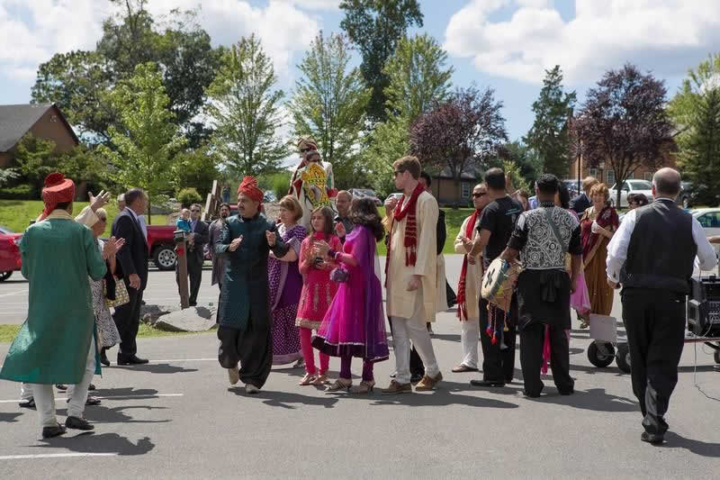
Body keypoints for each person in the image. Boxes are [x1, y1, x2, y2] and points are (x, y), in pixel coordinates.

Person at [0, 173, 123, 438]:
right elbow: (98, 271)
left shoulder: (33, 232)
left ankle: (48, 421)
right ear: (69, 204)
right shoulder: (80, 232)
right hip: (77, 308)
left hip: (42, 308)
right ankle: (76, 412)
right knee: (87, 360)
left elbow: (27, 273)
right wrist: (105, 256)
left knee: (42, 363)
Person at [606, 168, 717, 445]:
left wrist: (613, 278)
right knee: (664, 358)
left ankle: (650, 414)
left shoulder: (634, 216)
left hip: (636, 295)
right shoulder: (689, 221)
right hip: (672, 298)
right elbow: (708, 261)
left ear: (652, 190)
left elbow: (615, 253)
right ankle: (655, 416)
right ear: (678, 192)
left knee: (640, 354)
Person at [500, 174, 581, 397]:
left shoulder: (527, 217)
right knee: (559, 333)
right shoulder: (570, 219)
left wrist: (503, 263)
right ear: (556, 191)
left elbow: (511, 251)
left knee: (530, 333)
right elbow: (576, 254)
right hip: (559, 279)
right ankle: (564, 384)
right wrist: (573, 281)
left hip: (531, 280)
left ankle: (532, 386)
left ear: (536, 189)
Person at [215, 176, 289, 394]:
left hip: (257, 289)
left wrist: (274, 243)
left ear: (257, 204)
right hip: (233, 288)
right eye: (239, 200)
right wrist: (229, 247)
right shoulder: (230, 223)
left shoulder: (267, 225)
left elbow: (282, 251)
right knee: (228, 334)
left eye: (245, 200)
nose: (240, 204)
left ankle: (253, 379)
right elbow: (217, 247)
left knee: (256, 335)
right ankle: (230, 363)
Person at [313, 198, 390, 393]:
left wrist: (330, 251)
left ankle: (368, 378)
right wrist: (342, 238)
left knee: (363, 331)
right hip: (351, 285)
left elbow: (355, 260)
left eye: (352, 206)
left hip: (361, 287)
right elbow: (353, 254)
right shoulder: (358, 231)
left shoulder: (363, 231)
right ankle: (345, 377)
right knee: (345, 330)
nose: (348, 209)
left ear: (359, 210)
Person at [382, 156, 442, 393]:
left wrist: (418, 274)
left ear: (406, 174)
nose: (394, 178)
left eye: (396, 173)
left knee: (415, 326)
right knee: (397, 325)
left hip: (411, 274)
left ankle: (433, 370)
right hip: (396, 273)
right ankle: (403, 377)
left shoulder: (426, 200)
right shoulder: (402, 201)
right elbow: (393, 234)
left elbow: (428, 240)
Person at [469, 168, 523, 388]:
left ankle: (492, 374)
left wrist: (472, 253)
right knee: (509, 322)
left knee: (490, 322)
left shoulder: (491, 210)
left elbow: (483, 239)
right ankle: (508, 372)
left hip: (496, 272)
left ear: (488, 186)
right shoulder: (516, 207)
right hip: (515, 270)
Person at [296, 206, 340, 385]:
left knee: (323, 334)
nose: (315, 221)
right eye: (313, 218)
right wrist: (310, 259)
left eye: (319, 218)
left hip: (328, 292)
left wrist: (327, 264)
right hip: (309, 291)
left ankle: (323, 372)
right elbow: (301, 269)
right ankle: (309, 371)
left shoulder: (335, 241)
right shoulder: (307, 241)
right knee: (303, 331)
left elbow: (341, 268)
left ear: (328, 220)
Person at [452, 183, 490, 373]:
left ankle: (494, 360)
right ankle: (469, 360)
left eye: (479, 194)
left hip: (489, 273)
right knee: (469, 318)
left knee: (492, 319)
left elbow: (493, 245)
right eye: (473, 195)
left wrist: (475, 248)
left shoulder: (493, 218)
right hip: (470, 275)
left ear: (489, 195)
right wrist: (470, 247)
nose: (474, 198)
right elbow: (457, 244)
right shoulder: (469, 220)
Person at [112, 188, 150, 365]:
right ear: (137, 201)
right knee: (123, 316)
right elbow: (123, 250)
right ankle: (100, 348)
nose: (146, 203)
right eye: (145, 200)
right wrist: (132, 273)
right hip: (129, 278)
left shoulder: (132, 218)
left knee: (132, 317)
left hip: (136, 278)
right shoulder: (125, 219)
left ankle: (127, 353)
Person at [268, 196, 306, 366]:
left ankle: (302, 352)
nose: (281, 213)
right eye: (280, 209)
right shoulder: (276, 229)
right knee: (273, 318)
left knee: (291, 317)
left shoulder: (299, 231)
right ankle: (272, 355)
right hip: (272, 278)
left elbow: (291, 256)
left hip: (291, 280)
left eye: (285, 210)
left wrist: (270, 252)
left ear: (294, 212)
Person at [579, 183, 618, 328]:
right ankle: (587, 317)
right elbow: (580, 234)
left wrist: (602, 230)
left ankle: (601, 319)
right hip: (587, 255)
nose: (597, 198)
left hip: (603, 254)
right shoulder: (587, 212)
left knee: (603, 286)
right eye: (595, 195)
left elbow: (616, 235)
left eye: (600, 195)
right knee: (587, 284)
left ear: (605, 197)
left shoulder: (610, 213)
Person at [289, 137, 336, 229]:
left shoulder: (326, 166)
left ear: (314, 148)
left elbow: (331, 190)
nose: (305, 152)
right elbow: (293, 193)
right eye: (303, 150)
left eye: (308, 149)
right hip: (303, 210)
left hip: (321, 206)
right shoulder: (296, 171)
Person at [176, 203, 209, 307]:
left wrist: (194, 236)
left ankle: (192, 301)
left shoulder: (203, 225)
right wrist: (184, 237)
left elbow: (206, 239)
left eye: (197, 211)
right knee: (179, 278)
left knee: (195, 280)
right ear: (189, 212)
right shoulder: (182, 222)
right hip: (183, 255)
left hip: (196, 256)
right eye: (193, 210)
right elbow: (174, 238)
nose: (194, 212)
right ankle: (184, 299)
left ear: (200, 213)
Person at [209, 203, 231, 323]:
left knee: (229, 290)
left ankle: (227, 317)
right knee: (222, 289)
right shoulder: (214, 224)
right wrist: (212, 253)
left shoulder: (234, 224)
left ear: (229, 212)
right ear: (219, 212)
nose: (224, 211)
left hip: (231, 262)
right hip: (219, 262)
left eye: (226, 210)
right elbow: (209, 242)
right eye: (222, 210)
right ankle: (220, 318)